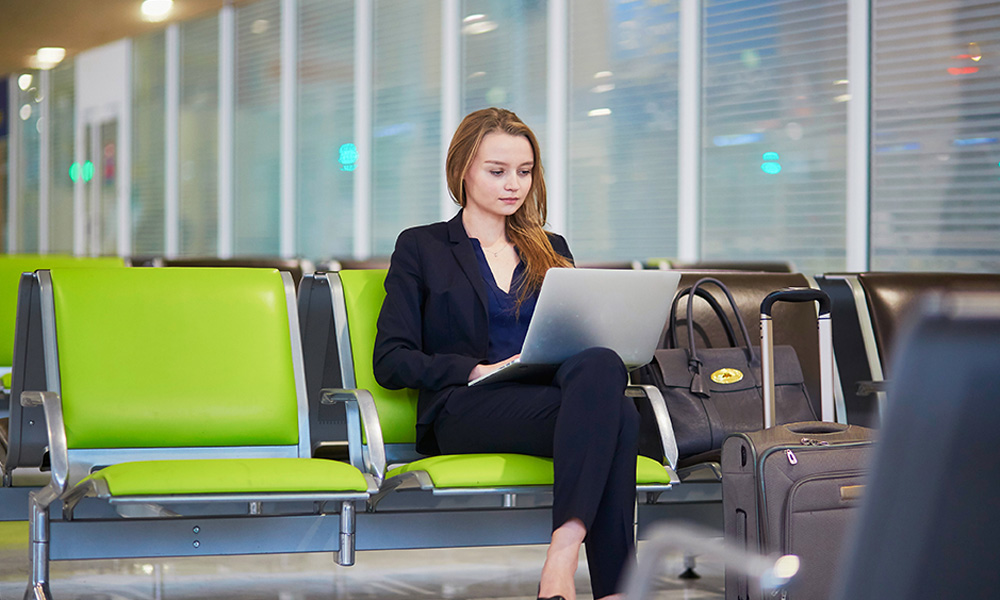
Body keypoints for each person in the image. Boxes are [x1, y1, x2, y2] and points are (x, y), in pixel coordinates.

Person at [373, 107, 639, 600]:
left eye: (524, 171)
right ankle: (608, 585)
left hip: (546, 401)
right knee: (617, 416)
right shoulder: (422, 247)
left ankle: (564, 553)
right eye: (497, 172)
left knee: (602, 365)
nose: (513, 184)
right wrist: (475, 368)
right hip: (466, 406)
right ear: (462, 171)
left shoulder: (550, 246)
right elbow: (390, 359)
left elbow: (577, 341)